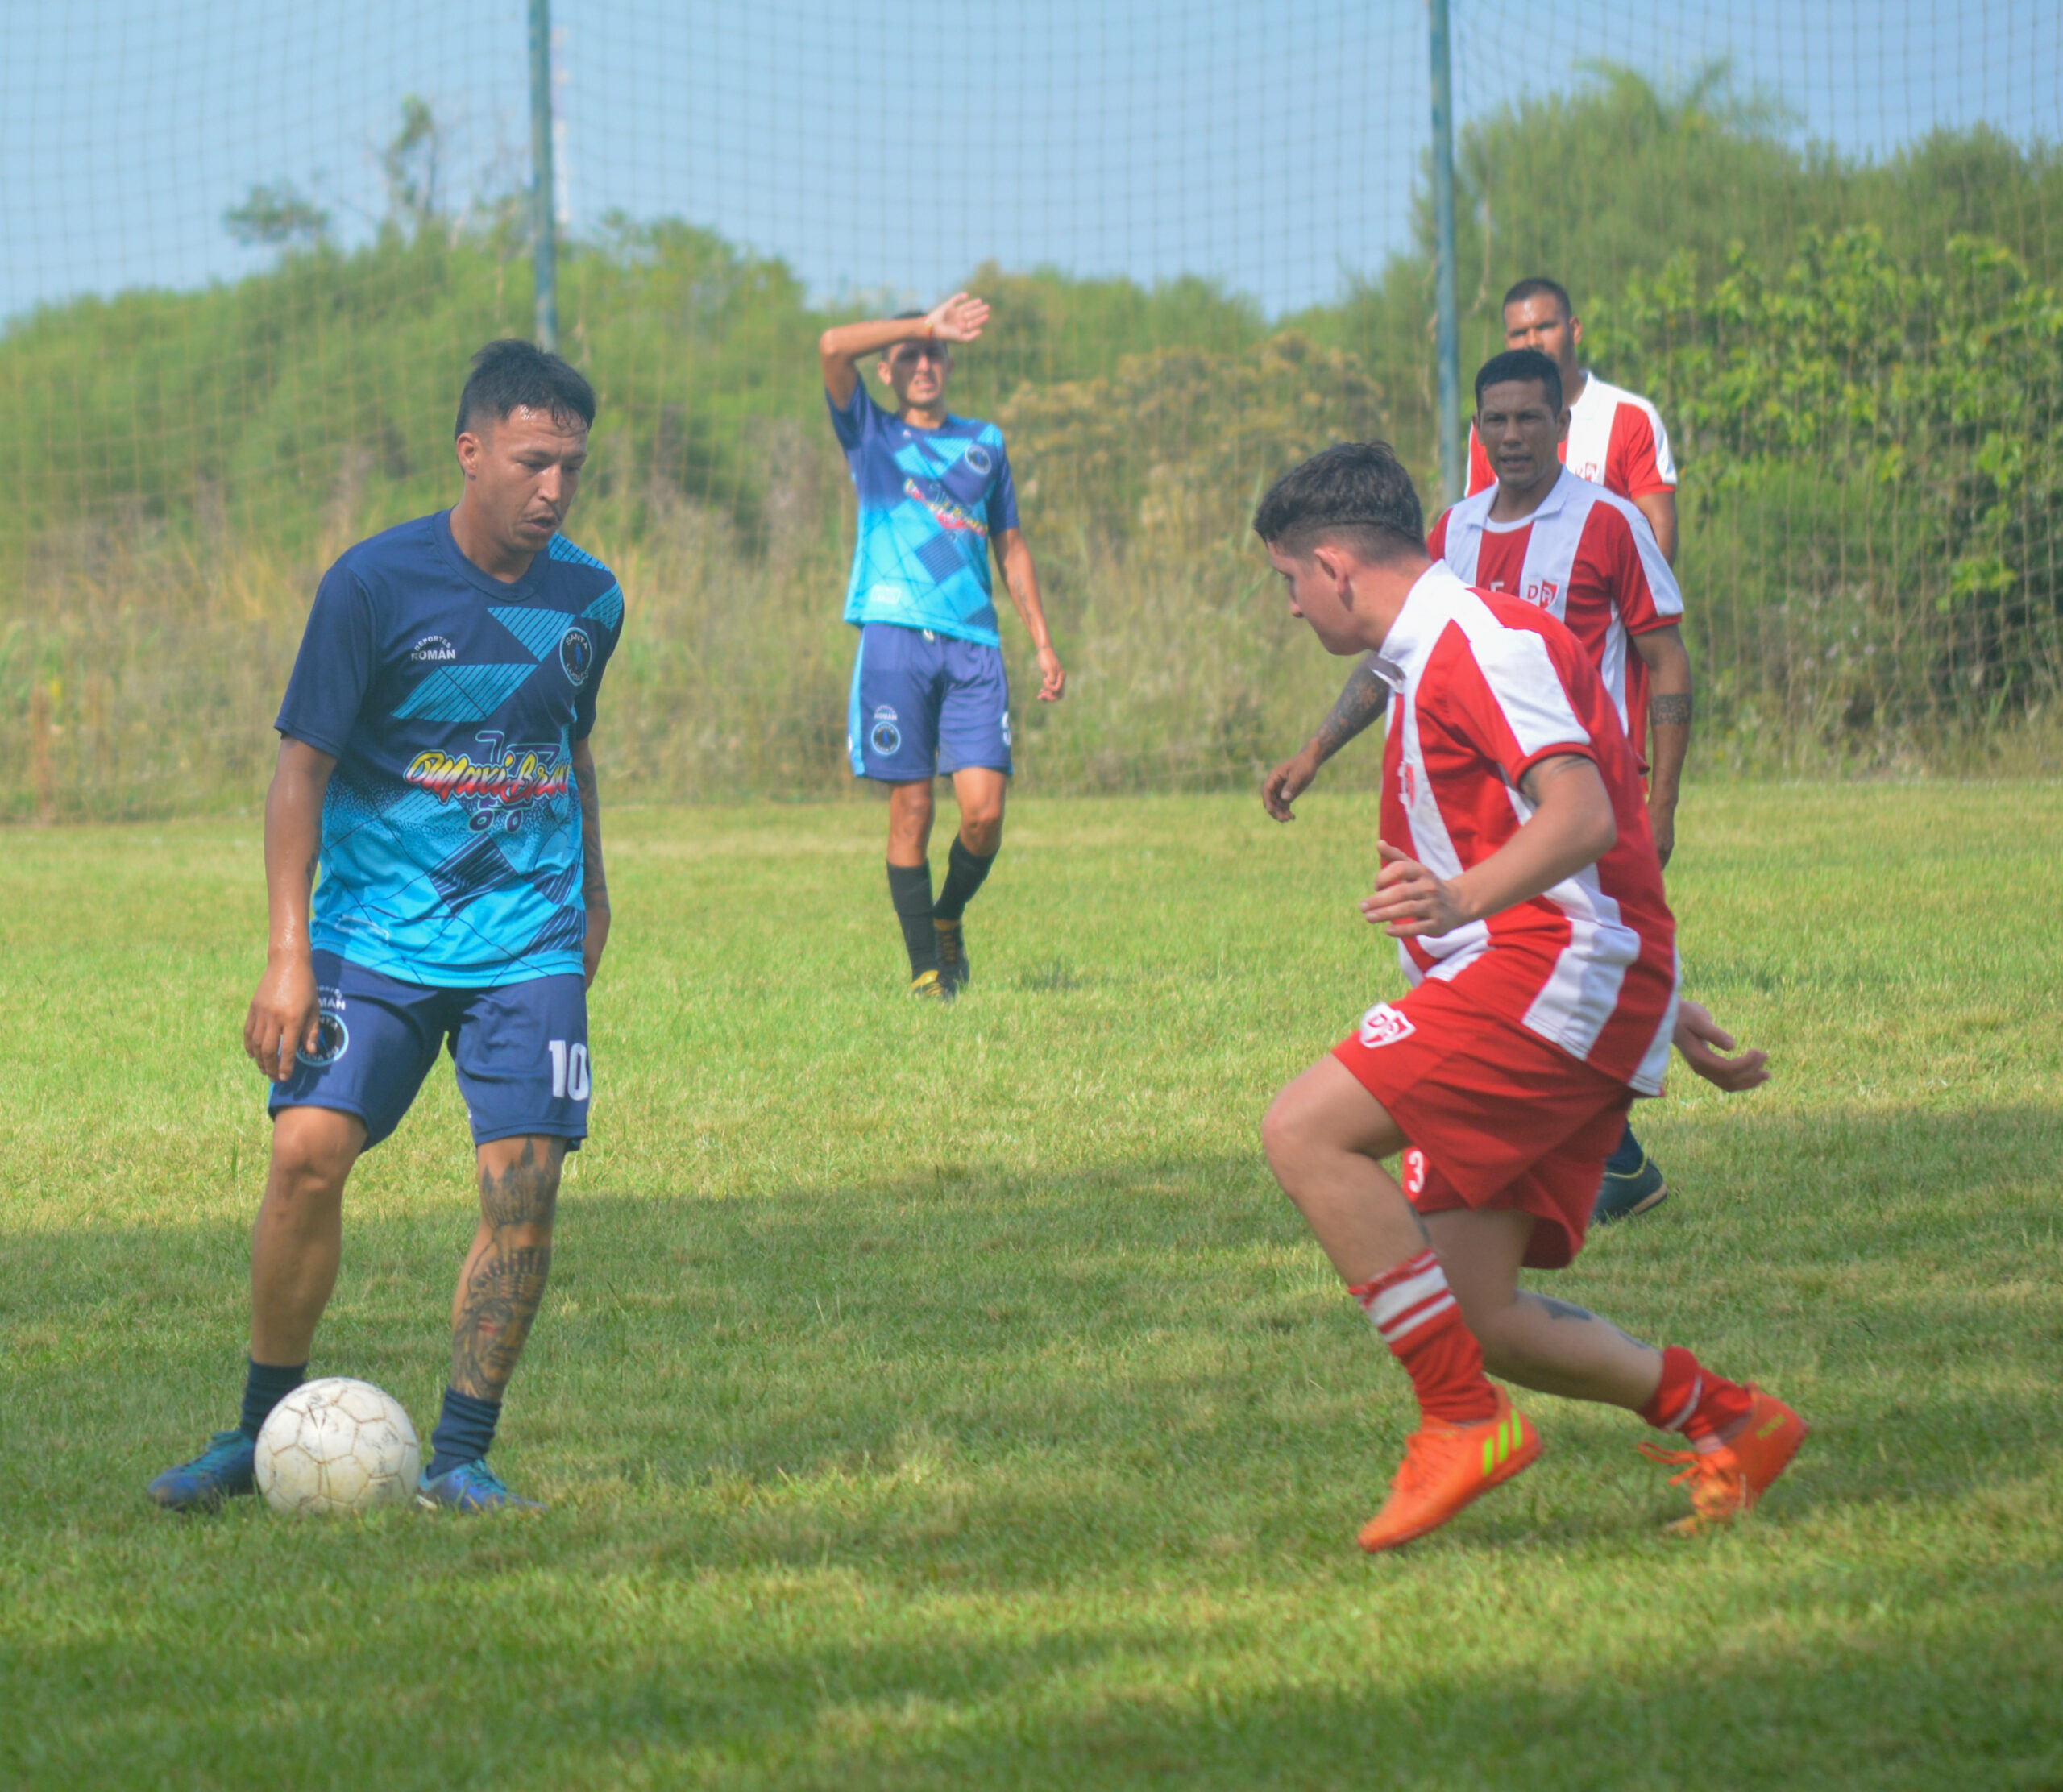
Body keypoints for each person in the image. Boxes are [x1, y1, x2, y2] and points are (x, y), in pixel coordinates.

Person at [1251, 441, 1802, 1552]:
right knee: (1477, 1311)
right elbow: (1601, 850)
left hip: (1548, 970)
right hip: (1577, 980)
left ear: (1336, 567)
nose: (1293, 607)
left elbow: (1583, 813)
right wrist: (1653, 994)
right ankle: (1730, 1419)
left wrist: (1462, 901)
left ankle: (1460, 1420)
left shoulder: (1480, 641)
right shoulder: (1436, 650)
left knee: (1303, 1130)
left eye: (1290, 581)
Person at [149, 340, 622, 1515]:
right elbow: (300, 770)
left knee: (525, 1189)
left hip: (529, 939)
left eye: (571, 466)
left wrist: (596, 895)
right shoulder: (372, 586)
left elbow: (570, 749)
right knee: (305, 1154)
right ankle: (258, 1431)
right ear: (470, 452)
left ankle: (459, 1457)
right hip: (374, 934)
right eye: (531, 462)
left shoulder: (592, 598)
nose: (554, 489)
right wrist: (287, 954)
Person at [1265, 349, 1691, 1225]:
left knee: (1307, 1133)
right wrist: (1318, 749)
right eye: (1494, 419)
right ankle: (1613, 1096)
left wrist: (1661, 803)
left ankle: (1606, 1104)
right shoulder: (1449, 536)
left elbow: (1662, 662)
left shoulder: (1605, 527)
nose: (1511, 434)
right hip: (1511, 858)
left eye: (1529, 416)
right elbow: (1392, 652)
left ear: (1562, 425)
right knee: (1472, 1285)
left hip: (1570, 813)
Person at [818, 293, 1065, 1000]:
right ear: (888, 371)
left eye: (934, 355)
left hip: (973, 646)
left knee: (984, 815)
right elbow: (832, 345)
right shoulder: (870, 433)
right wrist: (926, 322)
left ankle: (947, 914)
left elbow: (1010, 545)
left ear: (951, 366)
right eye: (909, 357)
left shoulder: (985, 443)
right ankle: (927, 970)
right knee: (913, 809)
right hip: (894, 638)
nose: (923, 364)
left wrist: (1043, 642)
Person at [1467, 276, 1678, 565]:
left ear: (1575, 330)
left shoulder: (1630, 417)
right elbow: (1478, 523)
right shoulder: (1493, 428)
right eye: (1519, 333)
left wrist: (1639, 593)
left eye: (1545, 327)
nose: (1532, 342)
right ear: (1507, 343)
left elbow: (1659, 527)